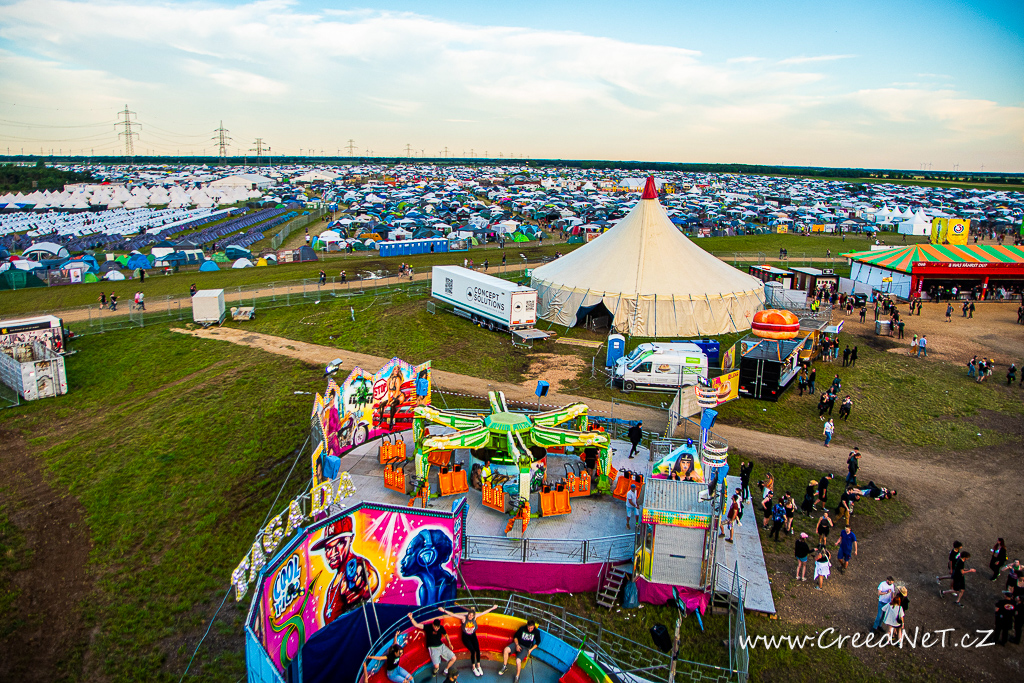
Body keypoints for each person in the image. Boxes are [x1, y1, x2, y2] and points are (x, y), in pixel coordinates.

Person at [313, 517, 381, 624]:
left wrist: (363, 588)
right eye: (328, 548)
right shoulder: (333, 583)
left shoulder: (356, 565)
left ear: (350, 539)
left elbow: (371, 577)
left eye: (339, 543)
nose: (333, 553)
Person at [440, 605, 499, 676]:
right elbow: (453, 615)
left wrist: (493, 608)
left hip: (473, 635)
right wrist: (444, 610)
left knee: (477, 650)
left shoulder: (475, 617)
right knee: (472, 651)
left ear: (473, 616)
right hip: (466, 637)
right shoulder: (464, 618)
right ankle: (474, 668)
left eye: (471, 616)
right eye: (469, 615)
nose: (470, 617)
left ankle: (478, 666)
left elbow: (484, 612)